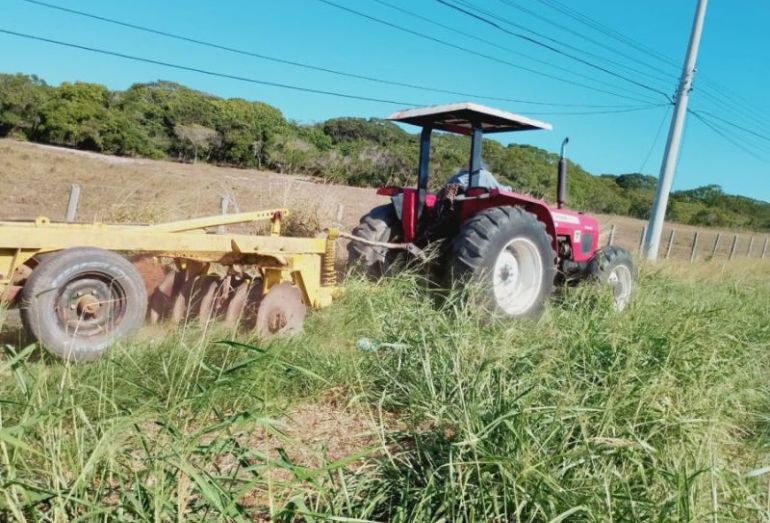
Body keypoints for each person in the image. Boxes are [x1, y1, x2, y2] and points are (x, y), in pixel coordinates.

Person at [445, 161, 512, 192]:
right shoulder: (485, 174)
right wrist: (509, 188)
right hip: (475, 200)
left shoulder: (459, 175)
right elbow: (498, 188)